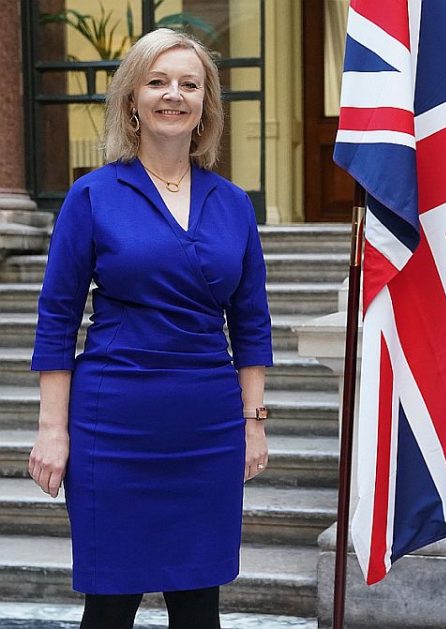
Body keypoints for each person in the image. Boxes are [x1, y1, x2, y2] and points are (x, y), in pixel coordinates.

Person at [27, 28, 273, 628]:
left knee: (199, 606)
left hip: (206, 424)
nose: (174, 95)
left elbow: (251, 320)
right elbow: (58, 316)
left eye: (189, 84)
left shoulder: (234, 203)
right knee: (110, 606)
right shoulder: (92, 196)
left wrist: (253, 422)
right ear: (131, 100)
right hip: (112, 423)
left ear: (206, 105)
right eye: (157, 81)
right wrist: (51, 430)